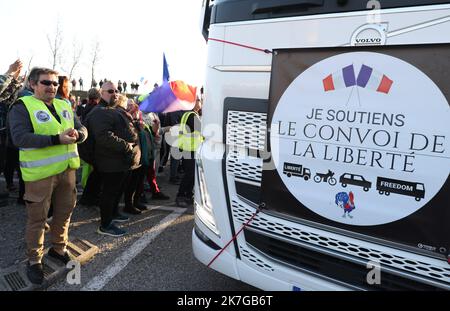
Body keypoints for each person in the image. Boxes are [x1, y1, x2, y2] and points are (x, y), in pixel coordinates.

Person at [8, 67, 87, 285]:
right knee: (37, 219)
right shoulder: (22, 106)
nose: (52, 86)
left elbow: (82, 128)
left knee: (64, 213)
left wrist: (79, 134)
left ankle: (58, 249)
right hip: (40, 175)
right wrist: (56, 139)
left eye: (54, 83)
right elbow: (20, 138)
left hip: (67, 171)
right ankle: (35, 260)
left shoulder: (64, 104)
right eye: (46, 83)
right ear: (33, 84)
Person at [88, 82, 140, 237]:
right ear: (101, 93)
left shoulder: (111, 109)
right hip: (110, 161)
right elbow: (103, 136)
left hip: (120, 161)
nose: (115, 93)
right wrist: (126, 146)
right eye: (110, 91)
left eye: (117, 90)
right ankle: (105, 224)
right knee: (109, 193)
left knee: (116, 191)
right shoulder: (99, 111)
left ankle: (113, 214)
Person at [175, 98, 203, 207]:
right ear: (194, 103)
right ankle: (181, 195)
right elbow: (201, 129)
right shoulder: (191, 115)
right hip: (189, 149)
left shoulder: (191, 114)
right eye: (198, 101)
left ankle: (188, 195)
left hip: (190, 149)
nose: (200, 103)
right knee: (189, 174)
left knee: (192, 174)